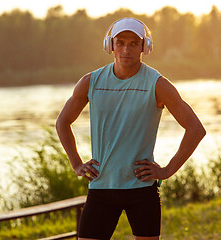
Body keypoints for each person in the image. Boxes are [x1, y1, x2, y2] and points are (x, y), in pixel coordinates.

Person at [56, 17, 206, 240]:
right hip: (101, 189)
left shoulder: (157, 84)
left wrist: (166, 171)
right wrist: (76, 164)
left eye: (134, 43)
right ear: (111, 45)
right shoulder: (91, 82)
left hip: (141, 190)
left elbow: (195, 129)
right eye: (121, 42)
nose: (126, 49)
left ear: (145, 46)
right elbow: (63, 122)